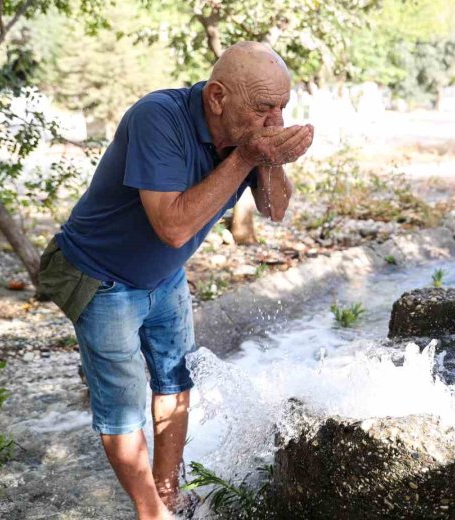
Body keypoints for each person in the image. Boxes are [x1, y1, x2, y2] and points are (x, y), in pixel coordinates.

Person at [37, 41, 314, 519]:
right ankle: (152, 512)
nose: (275, 120)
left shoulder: (245, 136)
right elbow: (173, 227)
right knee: (123, 400)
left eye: (282, 107)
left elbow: (275, 210)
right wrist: (247, 158)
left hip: (163, 275)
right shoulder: (157, 118)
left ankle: (168, 490)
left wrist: (271, 160)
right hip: (98, 274)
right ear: (217, 97)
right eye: (263, 108)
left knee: (174, 377)